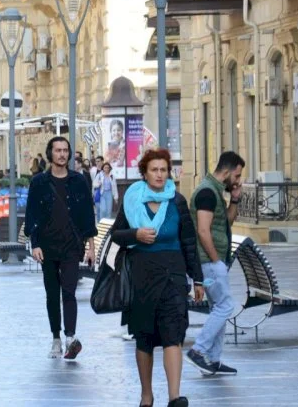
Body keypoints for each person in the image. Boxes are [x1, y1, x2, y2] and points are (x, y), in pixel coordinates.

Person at [110, 148, 203, 407]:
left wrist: (197, 279)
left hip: (172, 277)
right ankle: (147, 395)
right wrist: (135, 235)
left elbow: (188, 242)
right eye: (155, 170)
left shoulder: (177, 201)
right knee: (145, 337)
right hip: (142, 277)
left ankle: (175, 397)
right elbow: (116, 235)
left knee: (173, 334)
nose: (160, 175)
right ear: (145, 173)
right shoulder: (132, 199)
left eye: (164, 170)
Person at [24, 137, 97, 360]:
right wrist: (34, 244)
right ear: (50, 153)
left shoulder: (79, 181)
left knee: (69, 291)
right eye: (58, 150)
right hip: (47, 246)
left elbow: (87, 215)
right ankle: (56, 337)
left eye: (65, 150)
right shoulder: (39, 182)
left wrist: (91, 247)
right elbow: (32, 215)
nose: (62, 154)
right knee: (52, 294)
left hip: (71, 246)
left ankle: (70, 337)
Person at [186, 151, 246, 377]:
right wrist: (215, 260)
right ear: (228, 171)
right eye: (237, 175)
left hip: (213, 260)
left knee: (218, 307)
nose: (238, 180)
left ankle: (213, 359)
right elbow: (203, 230)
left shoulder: (216, 192)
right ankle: (199, 351)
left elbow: (226, 224)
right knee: (225, 307)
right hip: (208, 262)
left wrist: (236, 199)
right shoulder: (206, 193)